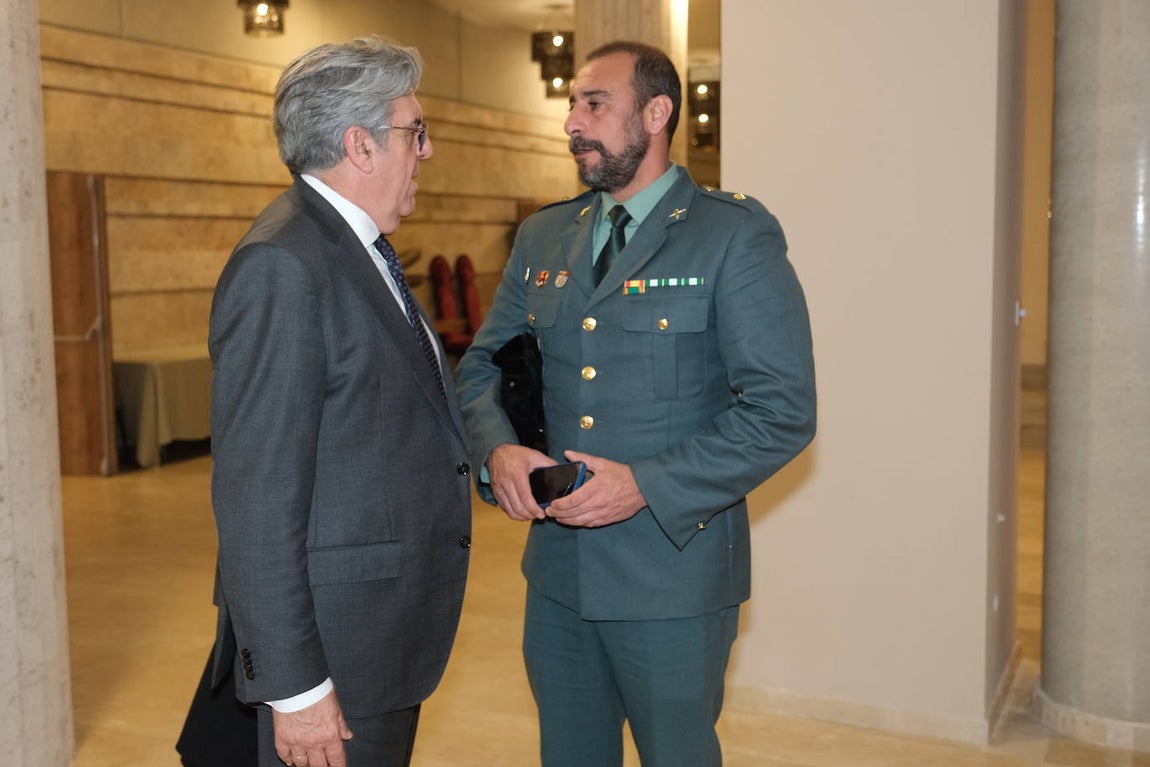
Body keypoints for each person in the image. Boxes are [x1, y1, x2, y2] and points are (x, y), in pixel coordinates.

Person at [455, 40, 817, 766]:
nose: (572, 123)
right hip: (558, 572)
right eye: (572, 106)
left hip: (672, 578)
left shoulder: (731, 235)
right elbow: (480, 367)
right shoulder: (544, 235)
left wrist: (645, 484)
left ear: (658, 113)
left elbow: (782, 409)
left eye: (595, 104)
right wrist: (495, 451)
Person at [180, 36, 473, 767]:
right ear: (360, 146)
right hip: (333, 659)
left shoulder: (353, 249)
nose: (427, 151)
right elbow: (256, 497)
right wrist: (298, 687)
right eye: (415, 130)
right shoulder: (284, 264)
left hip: (377, 638)